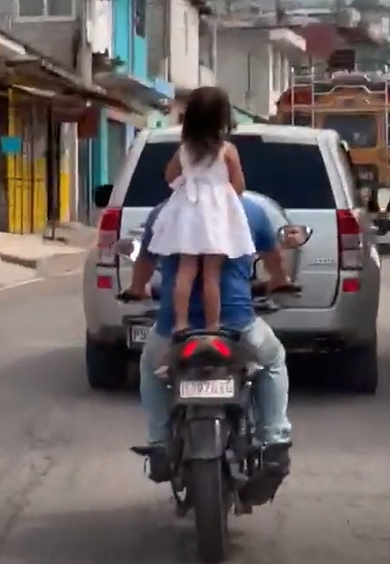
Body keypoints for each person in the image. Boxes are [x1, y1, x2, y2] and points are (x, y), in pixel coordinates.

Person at [123, 195, 294, 506]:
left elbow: (145, 264)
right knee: (272, 360)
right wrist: (280, 281)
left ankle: (160, 445)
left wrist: (137, 289)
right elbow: (274, 262)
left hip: (175, 330)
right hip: (237, 325)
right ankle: (274, 442)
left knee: (150, 367)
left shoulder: (164, 212)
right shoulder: (249, 211)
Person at [148, 86, 256, 335]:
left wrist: (187, 184)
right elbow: (239, 185)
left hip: (188, 212)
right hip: (215, 217)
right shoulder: (227, 150)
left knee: (185, 271)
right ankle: (212, 325)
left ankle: (181, 323)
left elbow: (170, 176)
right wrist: (222, 194)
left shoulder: (184, 150)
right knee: (211, 275)